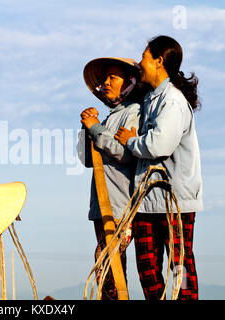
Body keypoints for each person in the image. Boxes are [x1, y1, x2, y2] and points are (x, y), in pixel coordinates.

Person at [114, 35, 203, 300]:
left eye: (144, 57)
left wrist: (130, 140)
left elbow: (159, 145)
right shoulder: (152, 99)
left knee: (180, 267)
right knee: (148, 267)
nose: (140, 62)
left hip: (174, 199)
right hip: (147, 200)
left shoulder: (172, 101)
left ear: (159, 62)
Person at [77, 57, 149, 300]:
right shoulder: (110, 118)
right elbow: (87, 158)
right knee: (110, 268)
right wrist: (86, 128)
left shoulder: (134, 113)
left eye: (113, 78)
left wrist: (95, 128)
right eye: (105, 79)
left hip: (120, 204)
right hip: (102, 204)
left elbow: (125, 153)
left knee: (107, 263)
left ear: (129, 82)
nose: (106, 83)